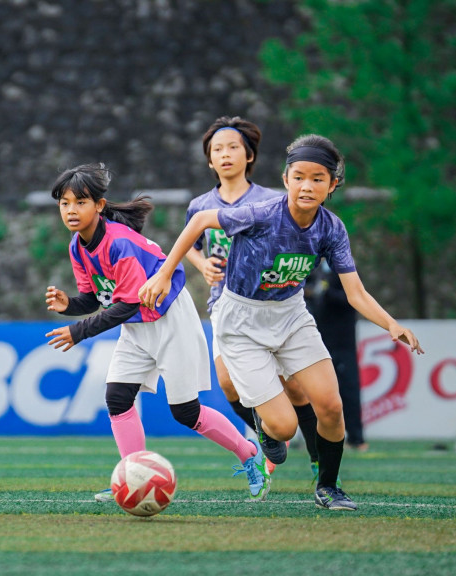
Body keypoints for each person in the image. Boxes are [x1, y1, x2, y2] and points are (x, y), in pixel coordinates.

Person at [139, 134, 424, 511]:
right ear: (286, 179)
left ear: (332, 185)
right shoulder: (261, 213)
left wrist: (391, 324)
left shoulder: (331, 228)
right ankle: (266, 428)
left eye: (318, 179)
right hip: (240, 319)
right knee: (284, 427)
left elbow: (355, 293)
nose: (307, 186)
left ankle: (328, 487)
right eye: (299, 177)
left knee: (331, 407)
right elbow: (203, 221)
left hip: (291, 314)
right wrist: (164, 274)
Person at [44, 163, 270, 503]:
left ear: (99, 205)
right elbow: (95, 298)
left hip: (170, 320)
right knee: (117, 398)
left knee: (186, 412)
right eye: (64, 203)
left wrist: (79, 331)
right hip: (137, 326)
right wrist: (69, 305)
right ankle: (132, 477)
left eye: (80, 202)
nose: (71, 210)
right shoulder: (78, 246)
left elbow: (128, 304)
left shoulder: (120, 243)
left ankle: (249, 453)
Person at [187, 116, 323, 478]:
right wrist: (202, 264)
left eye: (233, 147)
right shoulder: (200, 206)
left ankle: (319, 458)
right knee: (227, 382)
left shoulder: (272, 200)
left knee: (295, 388)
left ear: (249, 156)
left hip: (272, 305)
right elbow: (192, 245)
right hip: (225, 305)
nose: (225, 154)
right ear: (209, 160)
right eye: (217, 149)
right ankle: (268, 431)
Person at [306, 259, 367, 450]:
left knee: (348, 391)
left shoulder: (345, 268)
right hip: (318, 340)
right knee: (316, 392)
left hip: (342, 342)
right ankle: (316, 438)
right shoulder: (311, 269)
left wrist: (326, 292)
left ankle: (356, 438)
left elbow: (352, 299)